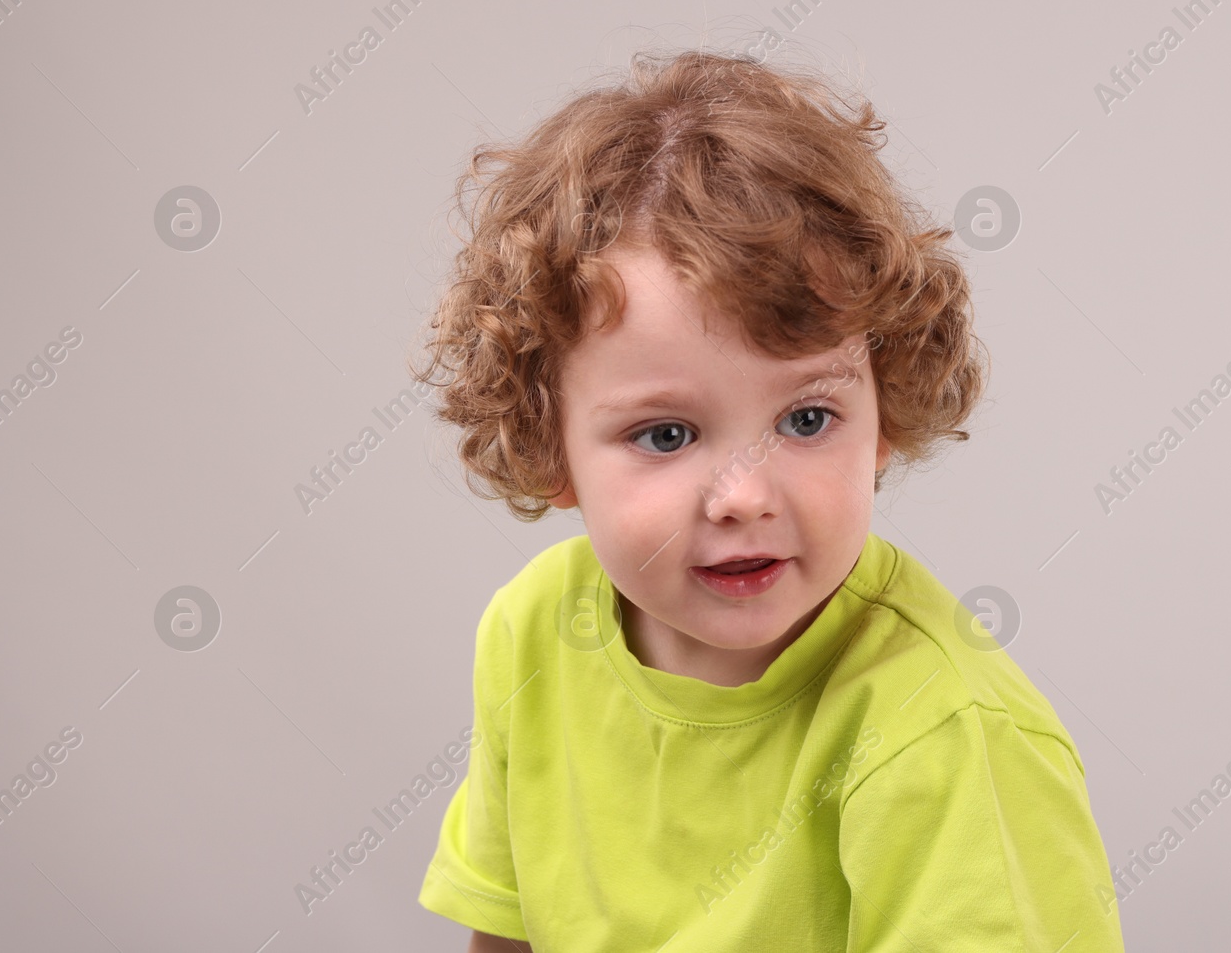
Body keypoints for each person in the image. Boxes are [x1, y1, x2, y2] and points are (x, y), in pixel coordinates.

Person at [410, 47, 1127, 951]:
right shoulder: (533, 631)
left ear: (886, 415)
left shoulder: (938, 730)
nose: (742, 495)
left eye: (806, 418)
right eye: (665, 434)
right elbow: (506, 934)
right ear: (549, 444)